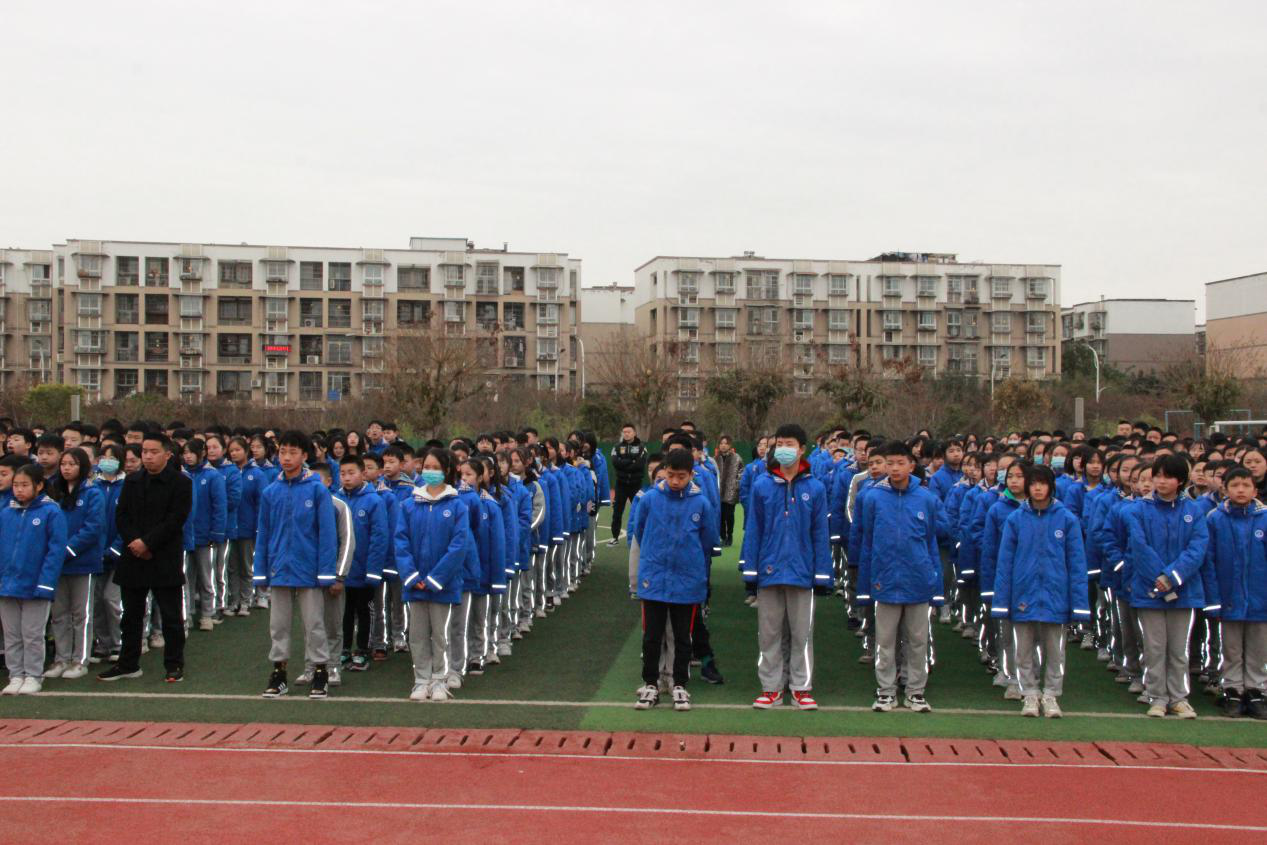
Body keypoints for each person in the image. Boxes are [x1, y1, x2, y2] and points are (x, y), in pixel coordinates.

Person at [740, 423, 830, 711]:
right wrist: (750, 571)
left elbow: (820, 533)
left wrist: (822, 574)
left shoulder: (815, 488)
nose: (783, 449)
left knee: (802, 635)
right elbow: (753, 529)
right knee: (769, 634)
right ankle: (771, 688)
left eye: (789, 444)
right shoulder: (762, 485)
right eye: (779, 444)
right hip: (769, 571)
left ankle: (801, 688)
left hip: (803, 573)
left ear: (802, 449)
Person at [991, 464, 1090, 718]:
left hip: (1056, 595)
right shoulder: (1015, 520)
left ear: (1051, 486)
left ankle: (1051, 695)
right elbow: (1004, 564)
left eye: (1042, 483)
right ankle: (1030, 694)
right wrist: (1002, 601)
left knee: (1055, 651)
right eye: (1033, 483)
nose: (1037, 488)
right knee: (1023, 650)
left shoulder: (1067, 519)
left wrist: (1079, 604)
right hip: (1022, 594)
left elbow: (1077, 564)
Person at [630, 448, 719, 711]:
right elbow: (640, 531)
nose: (675, 481)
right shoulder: (650, 499)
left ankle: (679, 684)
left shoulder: (701, 503)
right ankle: (651, 684)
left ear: (691, 474)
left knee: (682, 637)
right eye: (670, 475)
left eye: (681, 476)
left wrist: (690, 564)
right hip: (654, 578)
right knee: (652, 636)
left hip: (687, 580)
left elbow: (707, 540)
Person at [100, 432, 192, 683]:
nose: (148, 456)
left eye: (154, 452)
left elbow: (176, 519)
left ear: (167, 454)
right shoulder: (132, 480)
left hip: (164, 555)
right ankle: (128, 664)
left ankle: (174, 664)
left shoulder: (181, 483)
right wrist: (135, 542)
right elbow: (122, 516)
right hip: (133, 555)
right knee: (131, 614)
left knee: (171, 615)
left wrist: (148, 543)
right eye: (145, 452)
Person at [858, 441, 942, 713]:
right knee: (884, 641)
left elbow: (931, 541)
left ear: (911, 465)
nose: (895, 468)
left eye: (900, 463)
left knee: (917, 641)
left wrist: (934, 580)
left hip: (918, 581)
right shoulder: (873, 497)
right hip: (885, 580)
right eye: (890, 463)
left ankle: (916, 691)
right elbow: (867, 540)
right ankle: (886, 691)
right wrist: (867, 580)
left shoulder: (926, 499)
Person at [254, 430, 338, 700]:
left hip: (309, 569)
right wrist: (261, 571)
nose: (287, 457)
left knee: (314, 624)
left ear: (304, 456)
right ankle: (279, 674)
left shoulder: (317, 489)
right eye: (282, 452)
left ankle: (320, 671)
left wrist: (327, 572)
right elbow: (263, 534)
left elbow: (327, 535)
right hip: (279, 567)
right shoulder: (271, 492)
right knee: (278, 625)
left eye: (293, 452)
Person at [1126, 454, 1210, 718]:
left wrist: (1172, 577)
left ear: (1180, 480)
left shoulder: (1193, 511)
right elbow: (1139, 547)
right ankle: (1157, 696)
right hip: (1148, 590)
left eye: (1168, 476)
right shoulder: (1138, 509)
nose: (1161, 481)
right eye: (1157, 476)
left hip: (1184, 591)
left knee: (1178, 649)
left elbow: (1197, 549)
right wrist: (1159, 578)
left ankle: (1179, 698)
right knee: (1154, 647)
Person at [396, 447, 471, 701]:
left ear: (447, 471)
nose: (430, 472)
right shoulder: (409, 504)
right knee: (417, 635)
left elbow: (459, 546)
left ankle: (440, 680)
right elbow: (401, 541)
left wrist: (436, 578)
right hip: (415, 583)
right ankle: (421, 680)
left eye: (436, 468)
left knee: (440, 634)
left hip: (443, 584)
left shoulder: (457, 505)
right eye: (426, 467)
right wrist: (411, 575)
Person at [1202, 467, 1267, 719]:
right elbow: (1208, 561)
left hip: (1260, 597)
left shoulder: (1264, 518)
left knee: (1258, 648)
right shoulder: (1215, 519)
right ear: (1225, 489)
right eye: (1235, 485)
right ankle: (1233, 690)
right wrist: (1213, 598)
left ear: (1255, 490)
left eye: (1246, 485)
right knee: (1230, 648)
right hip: (1227, 596)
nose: (1241, 490)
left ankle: (1256, 691)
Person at [0, 466, 67, 695]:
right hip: (7, 585)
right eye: (16, 485)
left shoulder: (51, 512)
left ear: (39, 485)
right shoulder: (6, 513)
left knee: (32, 634)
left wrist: (45, 583)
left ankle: (33, 675)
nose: (19, 490)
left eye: (24, 485)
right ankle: (16, 674)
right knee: (12, 634)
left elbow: (55, 552)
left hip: (35, 585)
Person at [45, 448, 105, 680]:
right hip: (58, 562)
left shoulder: (93, 492)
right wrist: (55, 551)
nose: (66, 468)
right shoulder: (54, 491)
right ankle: (61, 658)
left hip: (83, 562)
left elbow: (93, 527)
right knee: (59, 613)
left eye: (72, 464)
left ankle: (80, 660)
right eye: (63, 464)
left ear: (83, 466)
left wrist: (68, 549)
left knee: (81, 613)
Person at [335, 454, 387, 673]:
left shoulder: (374, 501)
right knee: (344, 611)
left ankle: (363, 650)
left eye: (351, 473)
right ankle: (345, 648)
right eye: (343, 473)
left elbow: (379, 538)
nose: (347, 478)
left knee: (365, 610)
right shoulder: (335, 500)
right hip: (343, 569)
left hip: (365, 569)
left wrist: (373, 571)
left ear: (363, 474)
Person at [181, 439, 227, 632]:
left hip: (205, 534)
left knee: (207, 577)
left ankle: (208, 613)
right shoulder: (182, 475)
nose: (188, 456)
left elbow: (220, 506)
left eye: (191, 452)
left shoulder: (213, 476)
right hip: (187, 535)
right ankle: (188, 613)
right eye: (185, 452)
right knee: (185, 577)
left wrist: (216, 532)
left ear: (202, 453)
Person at [91, 444, 127, 663]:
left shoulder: (127, 486)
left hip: (119, 554)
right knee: (96, 601)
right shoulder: (92, 486)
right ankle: (102, 643)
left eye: (112, 458)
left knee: (111, 600)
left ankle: (118, 643)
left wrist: (116, 548)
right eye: (103, 457)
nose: (107, 461)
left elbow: (130, 521)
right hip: (96, 555)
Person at [609, 423, 648, 545]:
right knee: (617, 511)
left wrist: (624, 463)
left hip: (636, 484)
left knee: (639, 511)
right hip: (621, 484)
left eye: (629, 432)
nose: (626, 434)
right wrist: (631, 461)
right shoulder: (617, 447)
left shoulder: (642, 447)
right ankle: (615, 537)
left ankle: (640, 537)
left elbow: (639, 465)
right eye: (624, 432)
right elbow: (616, 463)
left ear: (634, 433)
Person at [714, 435, 742, 547]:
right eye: (721, 443)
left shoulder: (737, 458)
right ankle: (723, 537)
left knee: (729, 516)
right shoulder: (715, 459)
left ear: (730, 445)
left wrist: (736, 485)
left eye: (725, 443)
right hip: (718, 493)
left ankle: (729, 535)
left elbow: (741, 473)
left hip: (731, 493)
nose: (723, 445)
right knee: (720, 516)